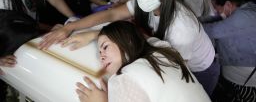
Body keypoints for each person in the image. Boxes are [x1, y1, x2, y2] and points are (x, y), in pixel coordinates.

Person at [40, 0, 219, 96]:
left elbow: (172, 75)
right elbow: (111, 15)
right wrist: (69, 27)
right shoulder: (145, 3)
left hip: (199, 70)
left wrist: (118, 93)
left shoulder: (181, 29)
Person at [73, 21, 211, 102]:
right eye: (99, 53)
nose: (101, 56)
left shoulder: (123, 79)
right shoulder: (162, 48)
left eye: (105, 47)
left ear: (128, 40)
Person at [203, 0, 256, 101]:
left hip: (245, 80)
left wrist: (192, 22)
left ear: (228, 5)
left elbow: (210, 30)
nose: (216, 12)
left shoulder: (241, 17)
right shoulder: (249, 9)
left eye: (217, 9)